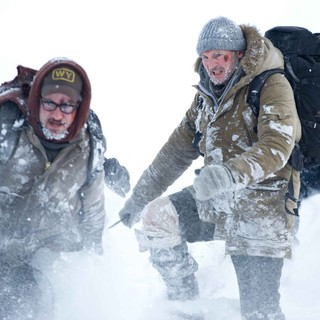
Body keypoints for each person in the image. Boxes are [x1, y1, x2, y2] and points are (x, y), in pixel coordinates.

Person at [118, 17, 301, 320]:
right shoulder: (206, 97)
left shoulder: (271, 84)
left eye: (220, 56)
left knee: (259, 313)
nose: (212, 64)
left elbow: (277, 148)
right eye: (206, 56)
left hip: (262, 211)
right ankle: (185, 308)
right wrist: (138, 199)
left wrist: (228, 174)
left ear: (239, 54)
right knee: (157, 218)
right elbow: (175, 152)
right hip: (219, 203)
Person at [0, 58, 129, 319]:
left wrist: (95, 270)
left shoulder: (89, 148)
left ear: (79, 109)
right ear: (37, 100)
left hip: (44, 256)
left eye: (67, 105)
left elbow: (93, 213)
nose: (58, 114)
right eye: (50, 102)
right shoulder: (8, 130)